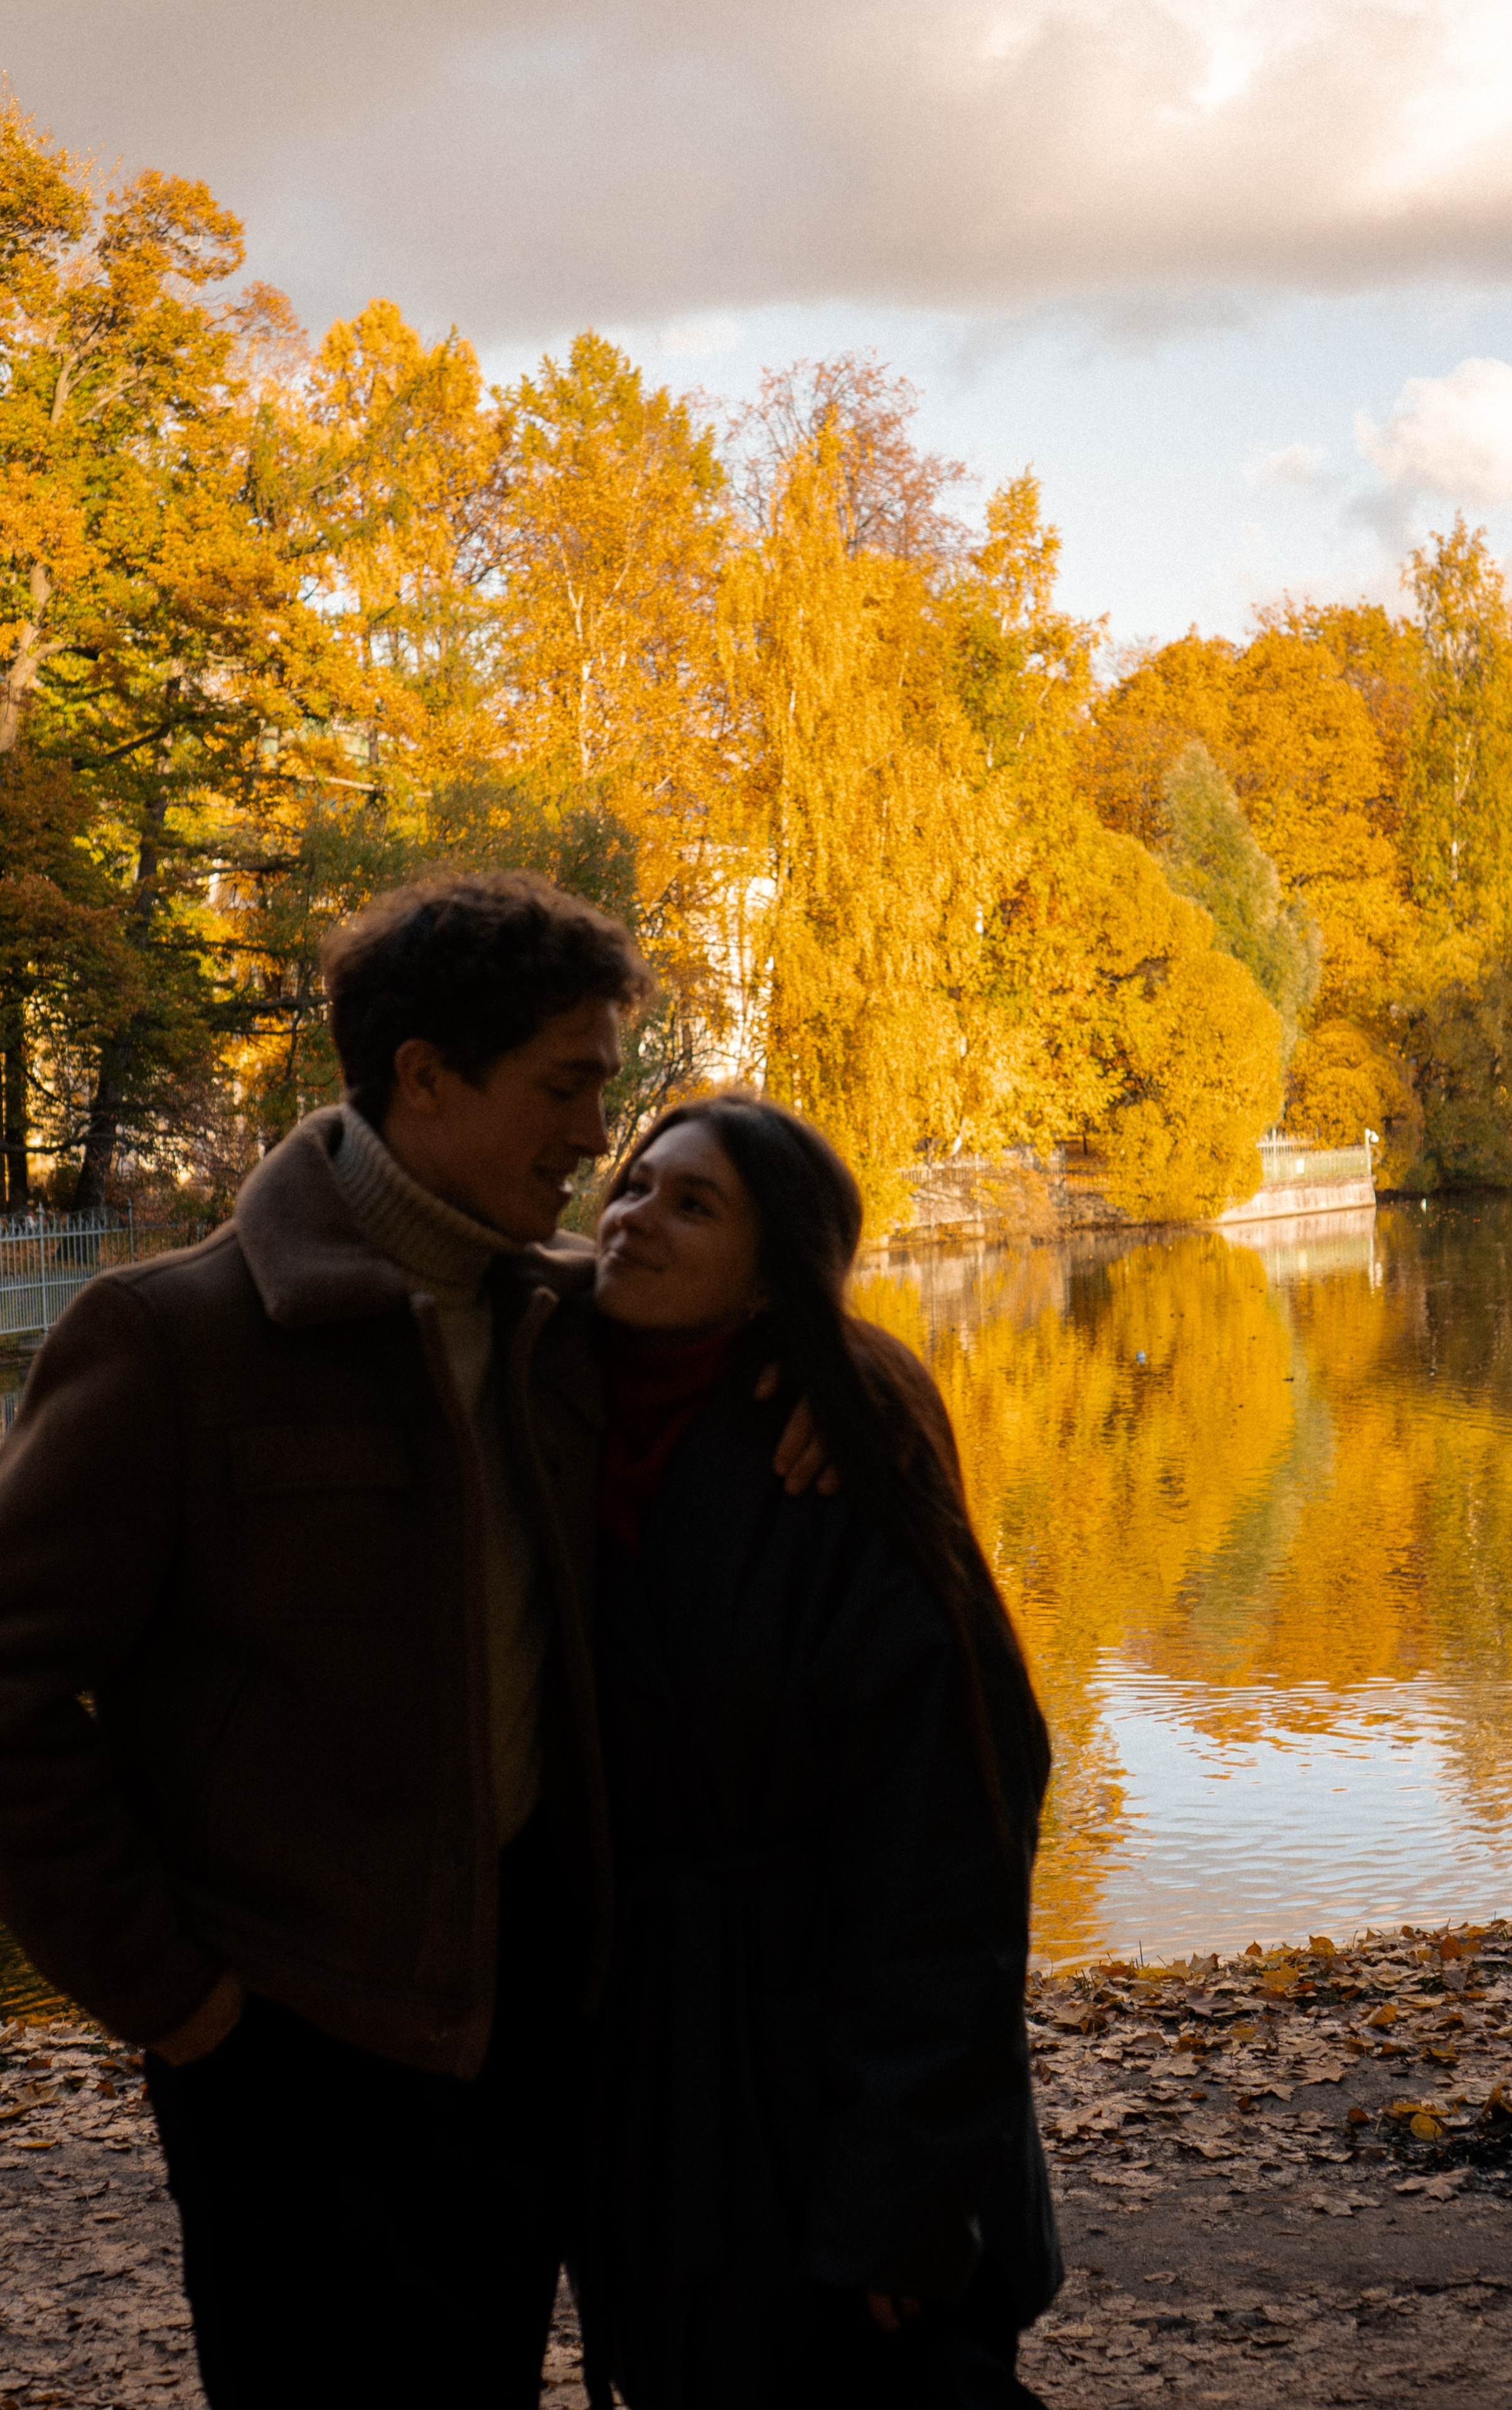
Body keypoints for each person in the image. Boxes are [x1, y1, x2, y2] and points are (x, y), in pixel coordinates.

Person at [0, 874, 820, 2408]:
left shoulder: (572, 1318)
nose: (596, 1139)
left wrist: (846, 1407)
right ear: (425, 1077)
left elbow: (804, 1333)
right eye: (565, 1088)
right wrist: (177, 2001)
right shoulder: (170, 1341)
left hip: (537, 2038)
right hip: (284, 2058)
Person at [587, 1091, 1061, 2410]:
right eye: (631, 1185)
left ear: (772, 1268)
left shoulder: (839, 1457)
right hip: (665, 2089)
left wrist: (903, 2191)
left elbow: (947, 1850)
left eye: (694, 1205)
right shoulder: (561, 1411)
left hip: (825, 2084)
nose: (636, 1220)